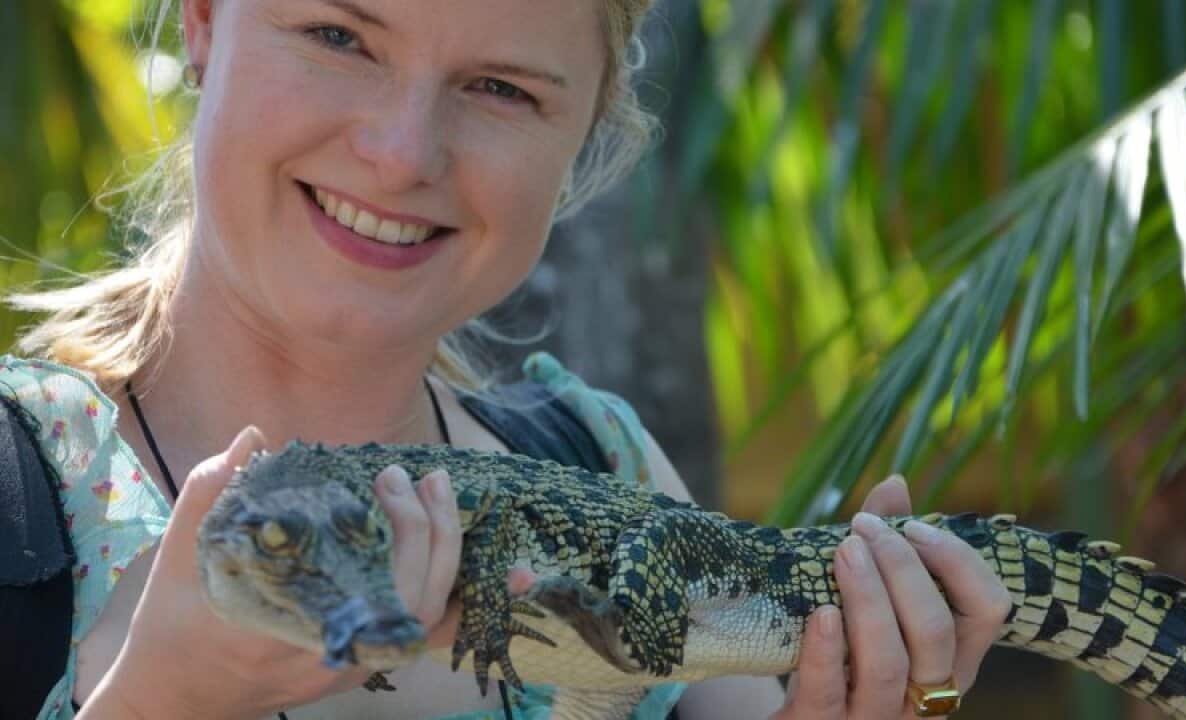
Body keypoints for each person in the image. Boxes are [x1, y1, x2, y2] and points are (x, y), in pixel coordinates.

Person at [4, 1, 1012, 718]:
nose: (403, 152)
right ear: (204, 20)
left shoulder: (605, 465)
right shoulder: (25, 497)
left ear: (584, 134)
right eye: (339, 36)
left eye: (499, 87)